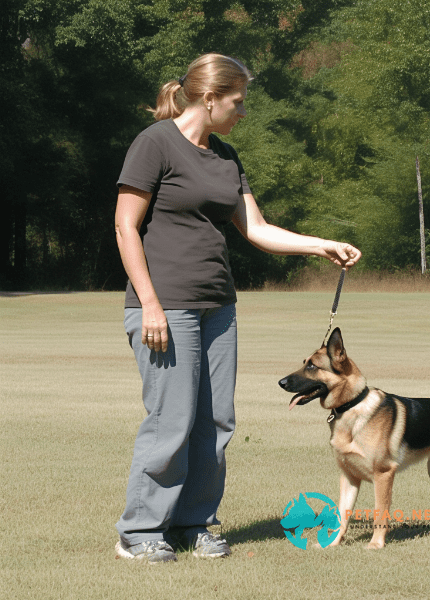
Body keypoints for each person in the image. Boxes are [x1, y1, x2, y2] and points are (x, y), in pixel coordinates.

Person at [114, 53, 361, 564]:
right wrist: (150, 303)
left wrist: (321, 244)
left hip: (217, 307)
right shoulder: (154, 143)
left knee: (215, 421)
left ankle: (193, 523)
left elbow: (256, 229)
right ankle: (140, 532)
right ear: (210, 98)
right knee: (171, 419)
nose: (243, 111)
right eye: (238, 102)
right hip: (167, 306)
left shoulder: (225, 156)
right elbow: (125, 226)